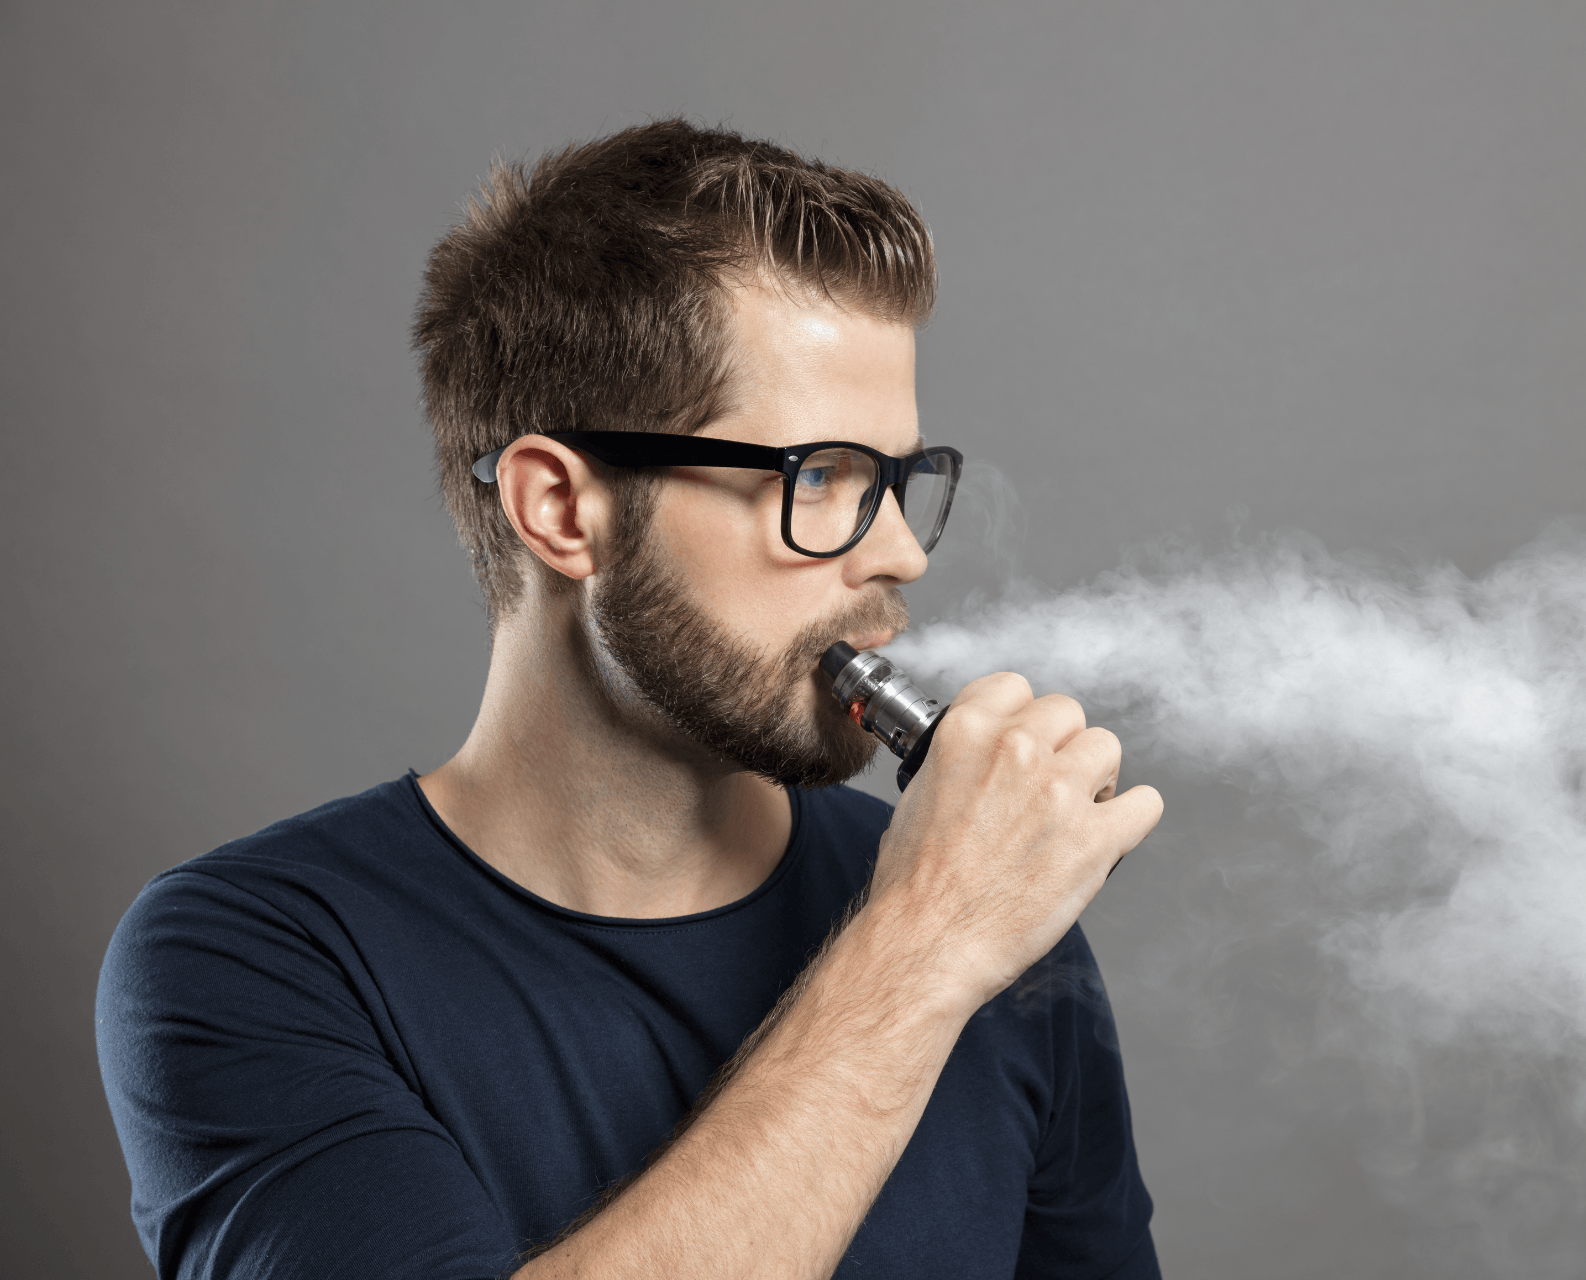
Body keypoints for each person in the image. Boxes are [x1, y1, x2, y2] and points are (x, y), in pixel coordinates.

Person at [96, 119, 1164, 1280]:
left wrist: (956, 919)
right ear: (562, 510)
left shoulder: (992, 910)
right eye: (822, 475)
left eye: (900, 479)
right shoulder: (250, 956)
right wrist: (928, 943)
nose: (901, 551)